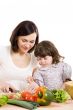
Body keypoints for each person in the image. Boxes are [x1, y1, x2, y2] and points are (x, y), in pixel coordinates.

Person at [0, 20, 39, 92]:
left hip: (21, 101)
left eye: (31, 42)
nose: (27, 45)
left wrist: (35, 85)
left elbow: (38, 82)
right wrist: (1, 84)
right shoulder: (2, 52)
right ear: (16, 38)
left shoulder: (35, 58)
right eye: (24, 40)